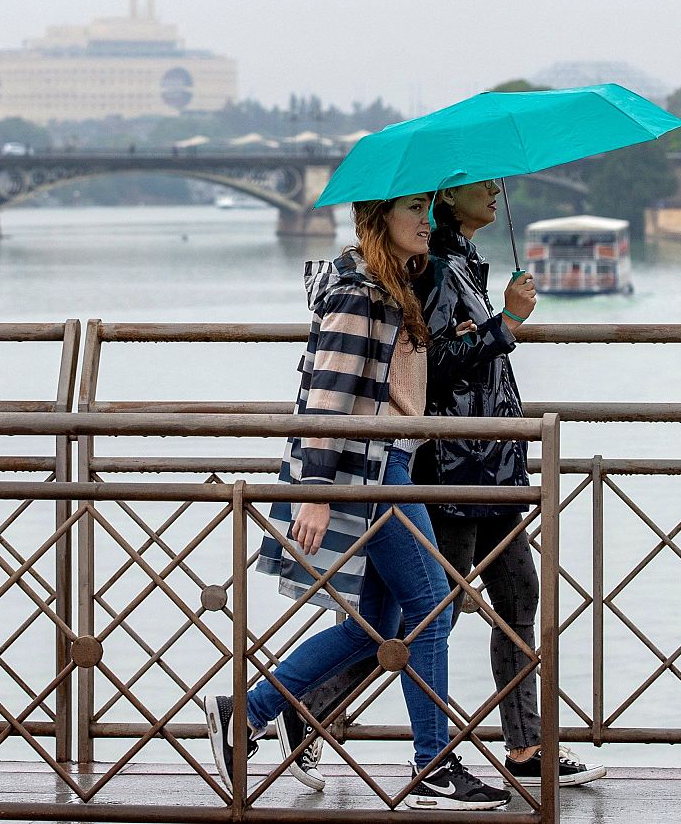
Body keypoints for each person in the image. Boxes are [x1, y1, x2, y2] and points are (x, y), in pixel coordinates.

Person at [275, 180, 605, 792]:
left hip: (486, 460)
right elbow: (411, 369)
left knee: (508, 598)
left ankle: (522, 745)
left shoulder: (448, 267)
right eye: (483, 184)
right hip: (447, 466)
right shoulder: (424, 273)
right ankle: (337, 723)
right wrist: (506, 322)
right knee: (429, 614)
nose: (496, 192)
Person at [205, 193, 511, 811]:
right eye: (414, 213)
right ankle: (433, 765)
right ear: (379, 222)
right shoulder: (360, 291)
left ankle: (247, 713)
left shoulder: (392, 283)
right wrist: (318, 490)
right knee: (430, 612)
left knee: (376, 626)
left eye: (428, 211)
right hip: (371, 470)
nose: (427, 223)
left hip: (386, 461)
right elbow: (328, 391)